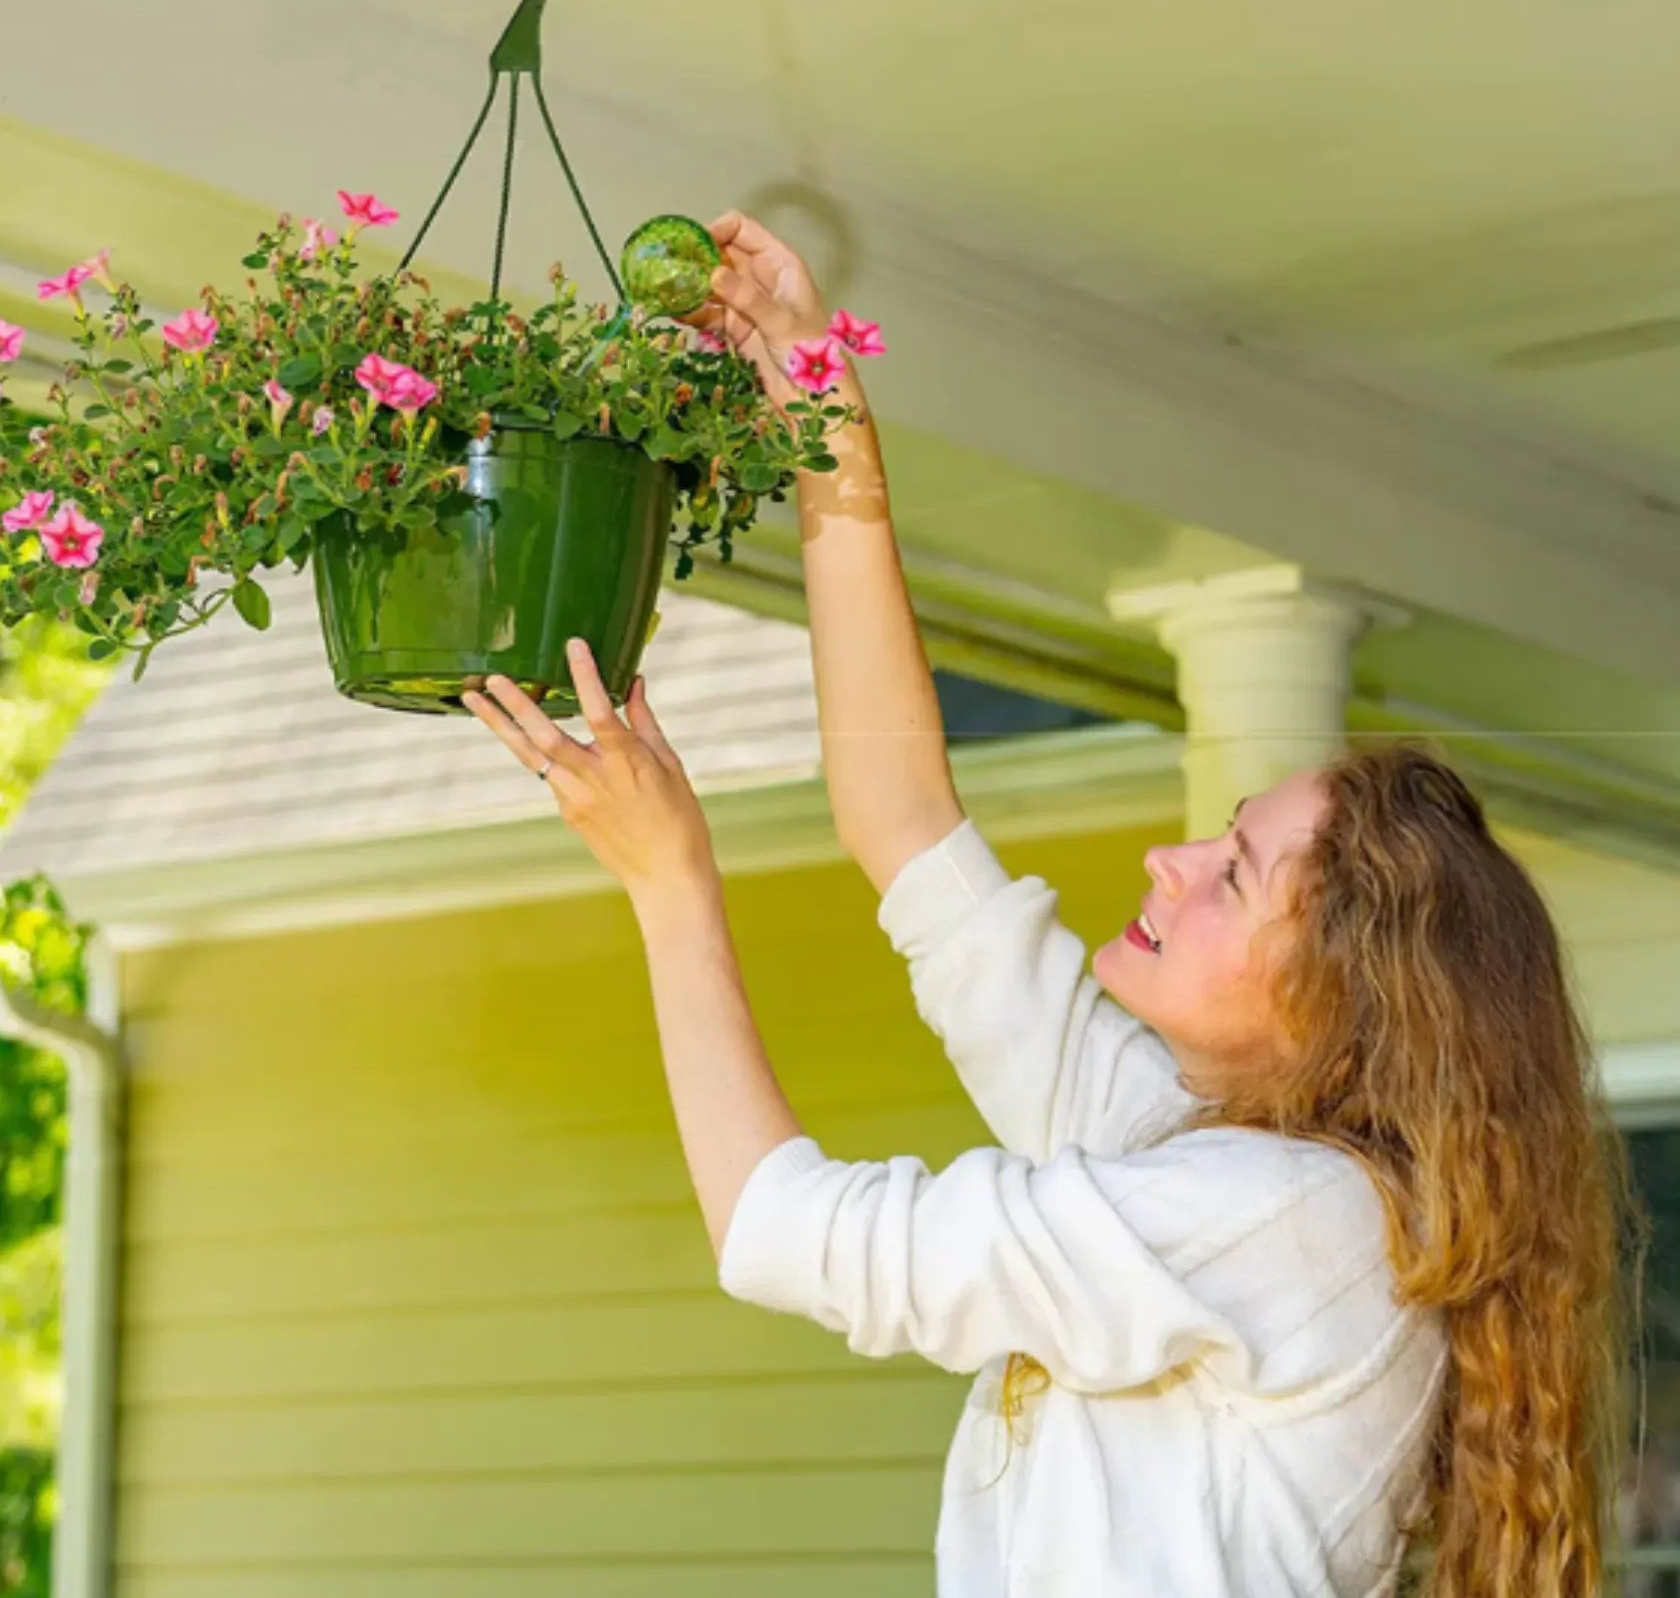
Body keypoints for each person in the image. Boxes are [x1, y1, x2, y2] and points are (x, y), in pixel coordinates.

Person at [461, 211, 1630, 1597]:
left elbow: (787, 1233)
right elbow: (906, 834)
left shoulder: (1291, 1219)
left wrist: (670, 887)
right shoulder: (1189, 1151)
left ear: (1342, 1000)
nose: (1170, 864)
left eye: (1235, 873)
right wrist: (828, 422)